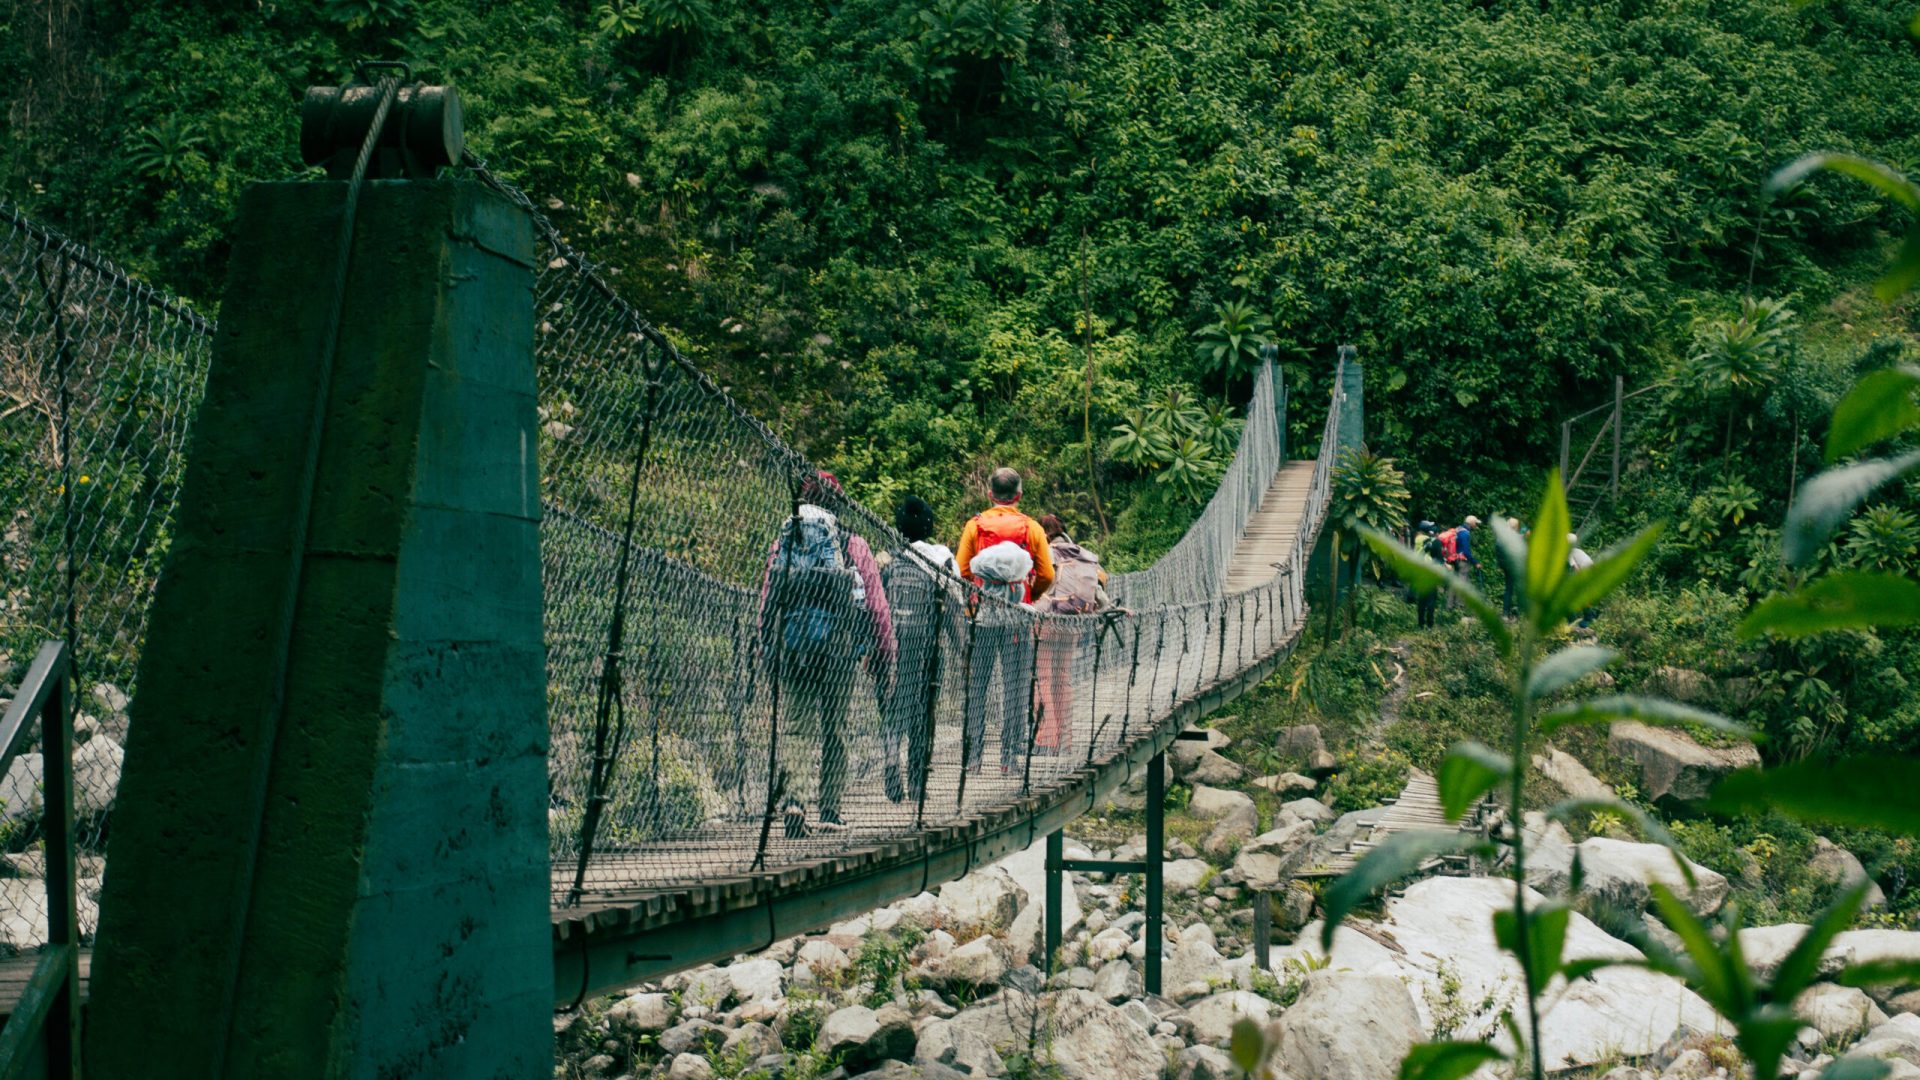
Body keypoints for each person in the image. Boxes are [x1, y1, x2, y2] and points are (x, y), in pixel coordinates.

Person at [759, 471, 895, 836]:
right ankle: (831, 811)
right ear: (838, 504)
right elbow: (876, 606)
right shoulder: (854, 545)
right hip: (839, 645)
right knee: (836, 728)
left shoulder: (784, 543)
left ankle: (795, 803)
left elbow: (768, 596)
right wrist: (885, 652)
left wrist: (765, 643)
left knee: (798, 730)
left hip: (793, 643)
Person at [955, 467, 1056, 775]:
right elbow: (1048, 574)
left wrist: (980, 596)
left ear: (990, 494)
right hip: (1017, 620)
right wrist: (1028, 596)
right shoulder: (1032, 528)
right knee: (1014, 687)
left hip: (983, 618)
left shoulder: (975, 526)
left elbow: (962, 570)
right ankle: (1008, 759)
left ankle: (973, 759)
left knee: (978, 686)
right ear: (1019, 495)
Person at [880, 495, 959, 803]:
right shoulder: (940, 561)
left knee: (892, 713)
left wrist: (870, 647)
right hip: (927, 649)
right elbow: (952, 608)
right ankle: (916, 781)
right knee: (922, 715)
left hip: (893, 647)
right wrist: (963, 648)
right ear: (929, 526)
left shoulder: (889, 560)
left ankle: (890, 769)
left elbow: (876, 604)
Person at [1032, 514, 1110, 756]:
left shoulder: (1043, 552)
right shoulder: (1081, 554)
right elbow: (1101, 594)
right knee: (1062, 677)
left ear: (1043, 532)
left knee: (1042, 679)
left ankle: (1046, 739)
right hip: (1072, 622)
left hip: (1045, 622)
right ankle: (1064, 739)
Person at [1413, 520, 1441, 629]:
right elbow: (1436, 556)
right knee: (1431, 599)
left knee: (1421, 599)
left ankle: (1420, 623)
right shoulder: (1429, 540)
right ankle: (1430, 624)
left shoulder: (1417, 539)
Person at [1567, 532, 1597, 627]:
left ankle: (1582, 619)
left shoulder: (1569, 553)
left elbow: (1577, 568)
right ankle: (1589, 618)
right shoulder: (1578, 551)